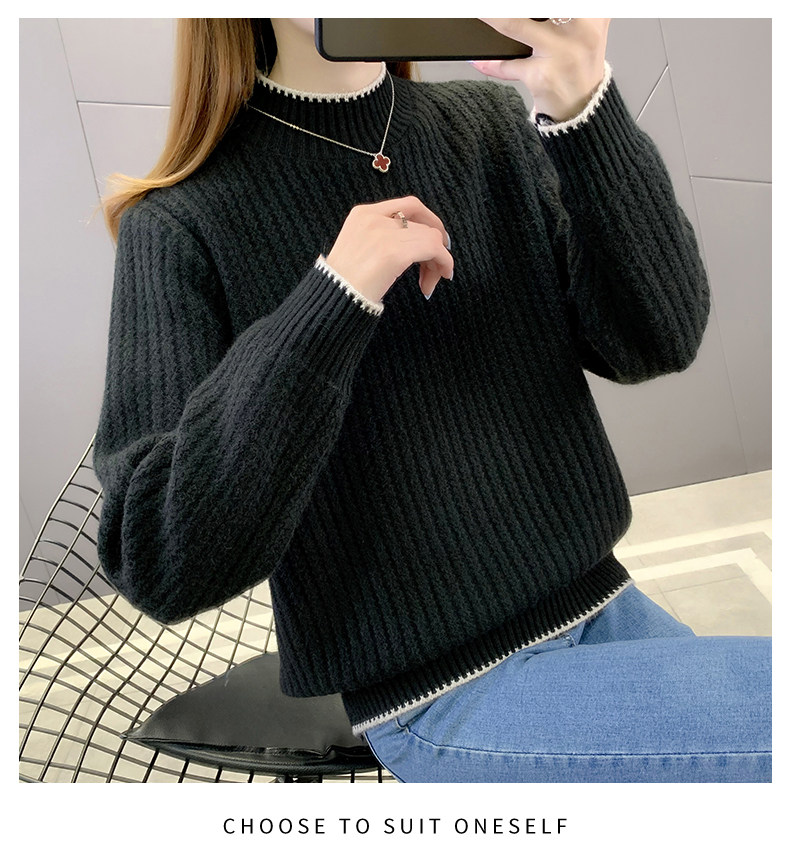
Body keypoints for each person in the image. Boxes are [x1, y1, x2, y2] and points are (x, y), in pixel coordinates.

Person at [94, 18, 771, 782]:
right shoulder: (180, 223)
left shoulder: (489, 127)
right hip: (445, 696)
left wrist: (585, 107)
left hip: (603, 610)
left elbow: (658, 339)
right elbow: (157, 561)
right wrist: (331, 300)